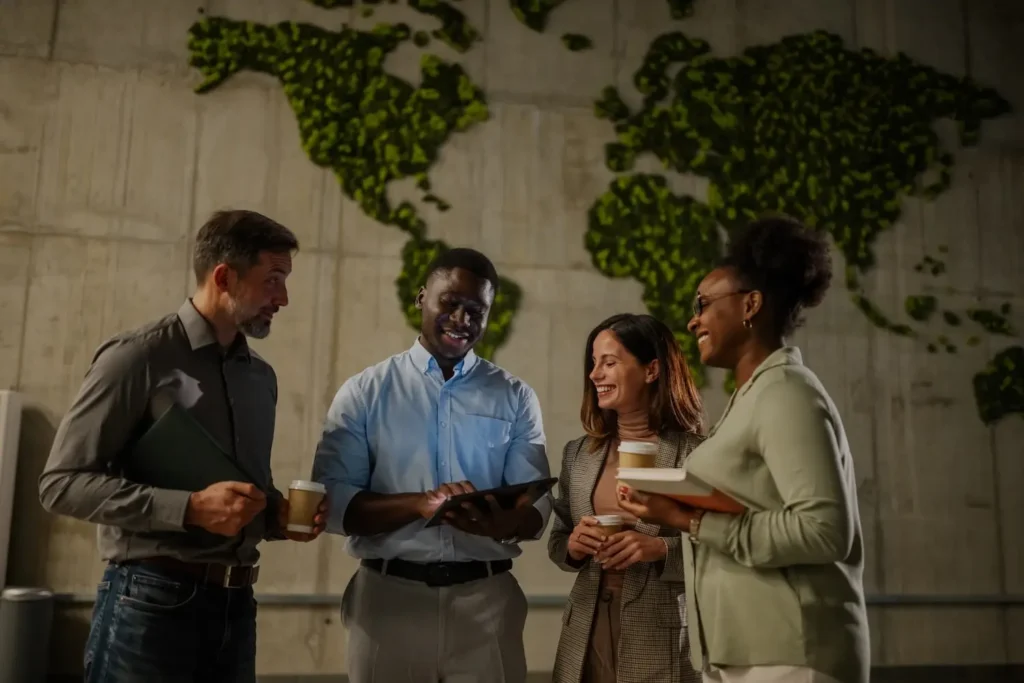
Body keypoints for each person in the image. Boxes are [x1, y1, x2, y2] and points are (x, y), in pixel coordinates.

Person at [38, 209, 326, 683]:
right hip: (148, 606)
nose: (285, 298)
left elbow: (240, 492)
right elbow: (60, 485)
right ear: (223, 276)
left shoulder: (261, 379)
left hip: (238, 607)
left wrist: (274, 515)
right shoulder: (137, 357)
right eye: (273, 279)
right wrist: (188, 508)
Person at [618, 216, 870, 683]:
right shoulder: (750, 398)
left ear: (751, 304)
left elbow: (824, 532)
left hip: (791, 652)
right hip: (749, 651)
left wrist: (689, 520)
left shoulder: (786, 393)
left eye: (704, 303)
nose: (693, 318)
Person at [311, 247, 551, 683]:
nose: (462, 319)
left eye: (475, 310)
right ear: (422, 297)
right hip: (388, 604)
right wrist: (422, 504)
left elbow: (536, 514)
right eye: (450, 302)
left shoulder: (515, 396)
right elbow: (333, 503)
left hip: (487, 603)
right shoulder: (365, 391)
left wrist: (501, 523)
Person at [548, 313, 705, 683]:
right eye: (593, 363)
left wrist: (660, 549)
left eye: (609, 362)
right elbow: (558, 541)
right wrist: (573, 545)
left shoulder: (696, 455)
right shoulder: (577, 454)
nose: (595, 374)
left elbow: (722, 545)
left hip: (660, 634)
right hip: (583, 631)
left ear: (651, 370)